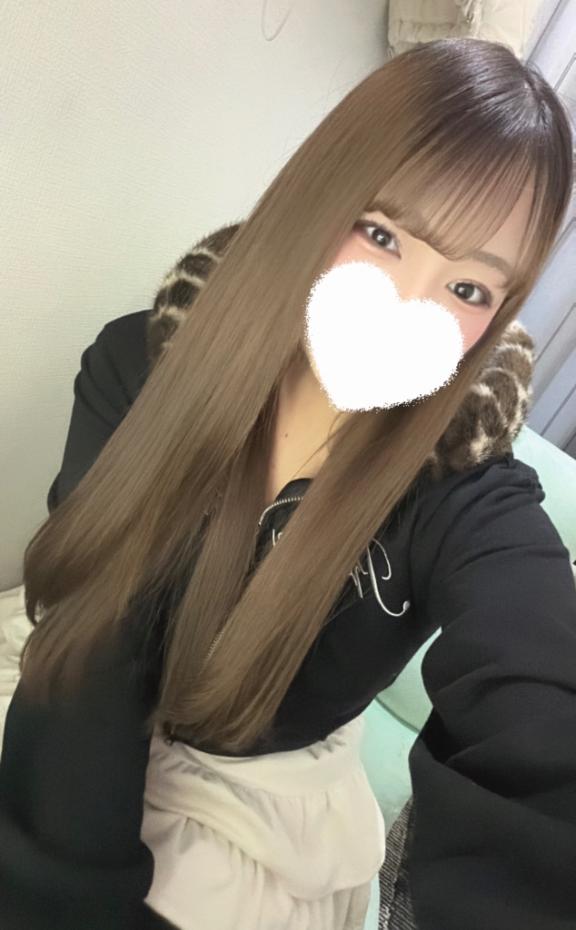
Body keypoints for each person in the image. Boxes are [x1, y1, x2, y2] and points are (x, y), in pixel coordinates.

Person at [1, 36, 576, 930]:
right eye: (381, 235)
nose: (407, 305)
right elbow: (88, 648)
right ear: (319, 196)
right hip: (92, 752)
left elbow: (541, 708)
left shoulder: (464, 492)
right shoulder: (139, 368)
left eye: (468, 289)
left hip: (280, 809)